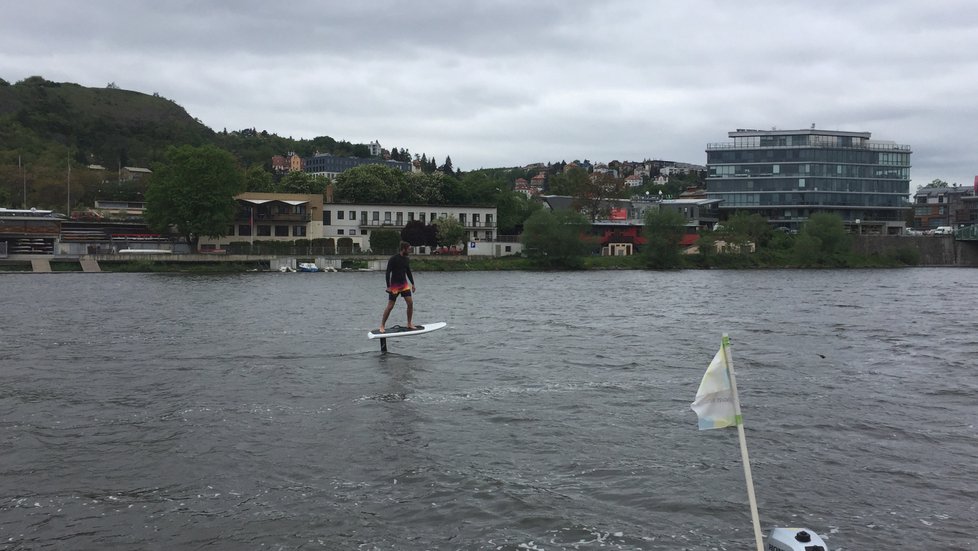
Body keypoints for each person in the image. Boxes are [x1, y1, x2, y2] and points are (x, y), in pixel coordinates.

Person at [379, 241, 416, 333]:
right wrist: (388, 286)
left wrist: (413, 284)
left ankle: (409, 323)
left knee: (410, 303)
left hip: (404, 285)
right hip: (394, 285)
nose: (410, 250)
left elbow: (408, 272)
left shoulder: (406, 259)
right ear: (403, 249)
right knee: (390, 306)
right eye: (408, 249)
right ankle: (382, 325)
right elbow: (388, 272)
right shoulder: (393, 259)